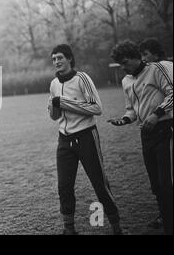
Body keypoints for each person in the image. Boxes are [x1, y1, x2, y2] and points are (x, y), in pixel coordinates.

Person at [48, 44, 122, 235]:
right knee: (64, 187)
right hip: (64, 140)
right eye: (54, 59)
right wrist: (54, 106)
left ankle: (117, 228)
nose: (56, 62)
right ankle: (69, 229)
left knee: (99, 185)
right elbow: (54, 117)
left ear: (70, 59)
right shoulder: (53, 84)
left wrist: (63, 102)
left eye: (60, 58)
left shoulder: (82, 78)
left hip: (86, 136)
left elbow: (96, 108)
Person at [109, 40, 173, 235]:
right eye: (121, 64)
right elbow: (132, 110)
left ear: (137, 56)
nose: (124, 67)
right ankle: (166, 221)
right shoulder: (126, 81)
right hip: (146, 134)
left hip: (164, 129)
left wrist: (157, 113)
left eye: (126, 62)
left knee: (166, 183)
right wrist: (125, 119)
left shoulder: (156, 69)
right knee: (155, 184)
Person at [138, 37, 172, 229]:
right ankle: (165, 215)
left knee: (165, 179)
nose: (143, 59)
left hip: (166, 125)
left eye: (146, 54)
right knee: (161, 179)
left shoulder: (161, 67)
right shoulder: (154, 70)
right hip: (160, 125)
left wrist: (157, 112)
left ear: (156, 54)